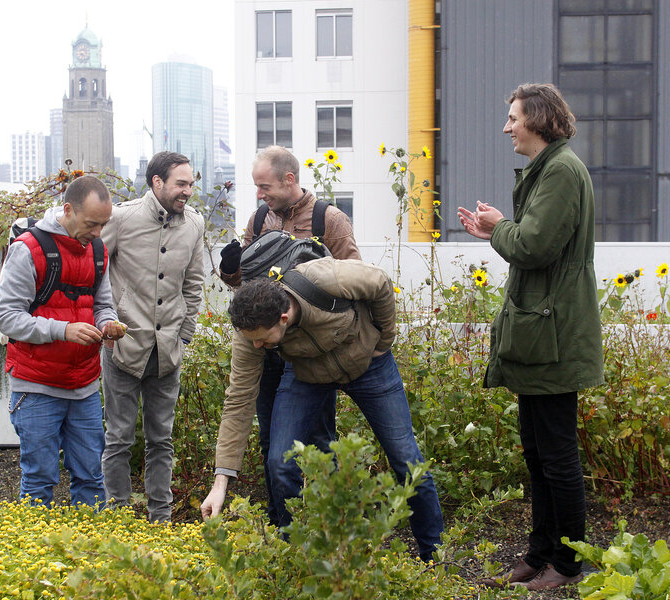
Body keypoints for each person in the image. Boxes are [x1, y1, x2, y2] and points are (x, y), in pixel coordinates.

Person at [458, 83, 604, 590]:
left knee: (557, 455)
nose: (507, 128)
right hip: (544, 329)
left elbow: (535, 246)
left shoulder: (561, 171)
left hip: (555, 333)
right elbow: (532, 241)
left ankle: (566, 564)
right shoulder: (553, 170)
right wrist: (497, 230)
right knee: (538, 451)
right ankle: (541, 552)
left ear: (538, 120)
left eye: (514, 118)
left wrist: (501, 227)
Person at [201, 257, 444, 562]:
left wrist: (384, 341)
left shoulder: (324, 278)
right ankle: (298, 556)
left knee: (407, 461)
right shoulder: (249, 333)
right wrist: (220, 481)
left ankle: (434, 557)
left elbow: (380, 282)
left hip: (369, 364)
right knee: (280, 461)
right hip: (307, 375)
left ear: (283, 318)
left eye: (263, 340)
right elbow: (238, 399)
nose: (258, 347)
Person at [217, 146, 361, 525]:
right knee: (271, 439)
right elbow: (247, 290)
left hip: (310, 350)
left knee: (318, 438)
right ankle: (282, 521)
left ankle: (327, 520)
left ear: (289, 180)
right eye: (256, 188)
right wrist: (230, 270)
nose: (259, 195)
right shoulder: (258, 219)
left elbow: (353, 280)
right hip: (266, 349)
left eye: (264, 186)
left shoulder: (328, 220)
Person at [0, 175, 125, 507]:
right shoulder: (28, 250)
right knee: (39, 480)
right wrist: (63, 330)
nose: (98, 233)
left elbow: (102, 303)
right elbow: (7, 317)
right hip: (36, 387)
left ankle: (91, 555)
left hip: (83, 386)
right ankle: (32, 555)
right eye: (92, 224)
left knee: (91, 478)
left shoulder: (97, 250)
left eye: (103, 225)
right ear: (67, 210)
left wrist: (107, 324)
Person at [99, 151, 205, 522]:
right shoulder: (121, 218)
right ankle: (120, 518)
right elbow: (96, 274)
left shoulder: (194, 224)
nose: (188, 191)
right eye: (181, 183)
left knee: (162, 440)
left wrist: (185, 338)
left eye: (191, 183)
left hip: (168, 351)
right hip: (122, 348)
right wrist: (105, 325)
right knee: (119, 438)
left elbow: (193, 286)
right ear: (157, 182)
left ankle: (160, 519)